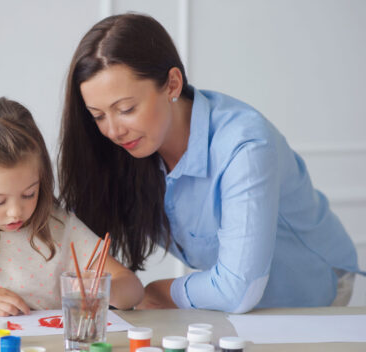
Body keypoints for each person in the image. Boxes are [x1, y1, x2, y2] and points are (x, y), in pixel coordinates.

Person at [58, 13, 362, 313]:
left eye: (126, 108)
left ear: (172, 84)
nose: (113, 130)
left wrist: (158, 291)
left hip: (312, 295)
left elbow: (237, 289)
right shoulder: (128, 150)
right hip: (239, 307)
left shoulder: (245, 147)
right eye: (98, 115)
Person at [0, 97, 143, 316]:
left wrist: (103, 290)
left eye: (29, 194)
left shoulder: (59, 227)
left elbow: (132, 287)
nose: (15, 212)